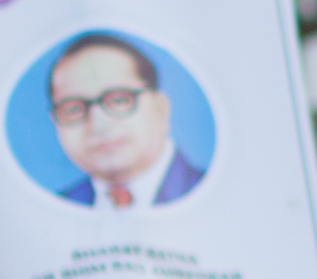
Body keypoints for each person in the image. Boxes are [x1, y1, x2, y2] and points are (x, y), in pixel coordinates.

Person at [47, 32, 203, 208]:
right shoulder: (51, 210)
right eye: (73, 108)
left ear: (161, 109)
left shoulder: (219, 195)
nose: (98, 124)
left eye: (119, 100)